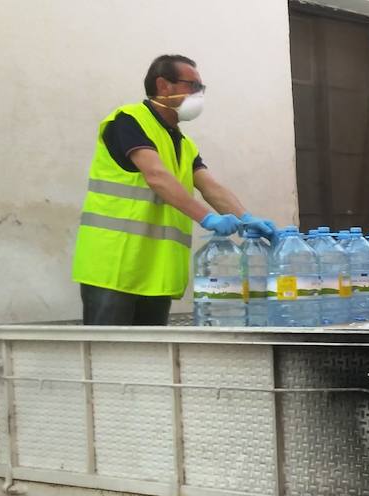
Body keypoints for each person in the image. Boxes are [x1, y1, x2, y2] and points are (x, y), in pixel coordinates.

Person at [71, 54, 278, 325]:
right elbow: (156, 176)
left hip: (155, 275)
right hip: (115, 267)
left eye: (201, 88)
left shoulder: (183, 144)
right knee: (111, 359)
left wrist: (246, 218)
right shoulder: (129, 121)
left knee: (153, 362)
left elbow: (210, 187)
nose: (199, 94)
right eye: (192, 85)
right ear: (163, 85)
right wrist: (208, 218)